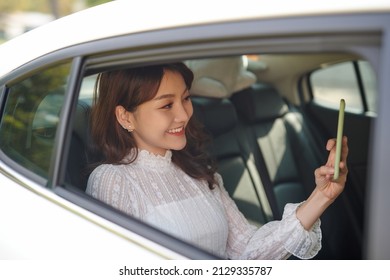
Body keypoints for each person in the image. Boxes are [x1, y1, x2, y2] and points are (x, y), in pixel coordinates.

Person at [86, 62, 349, 260]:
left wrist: (322, 196)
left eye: (186, 99)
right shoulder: (113, 180)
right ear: (125, 117)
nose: (183, 115)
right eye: (166, 105)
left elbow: (247, 251)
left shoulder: (197, 171)